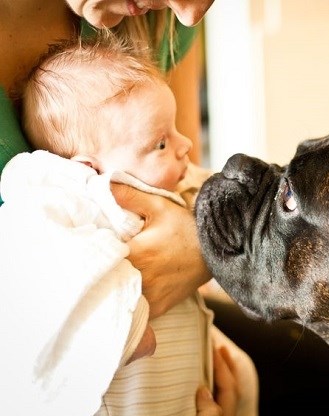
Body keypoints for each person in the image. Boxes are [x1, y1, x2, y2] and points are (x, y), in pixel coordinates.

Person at [0, 1, 246, 415]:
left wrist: (202, 243)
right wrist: (125, 322)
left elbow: (216, 199)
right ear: (87, 170)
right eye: (162, 142)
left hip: (188, 384)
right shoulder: (62, 196)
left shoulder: (160, 19)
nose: (188, 15)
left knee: (251, 372)